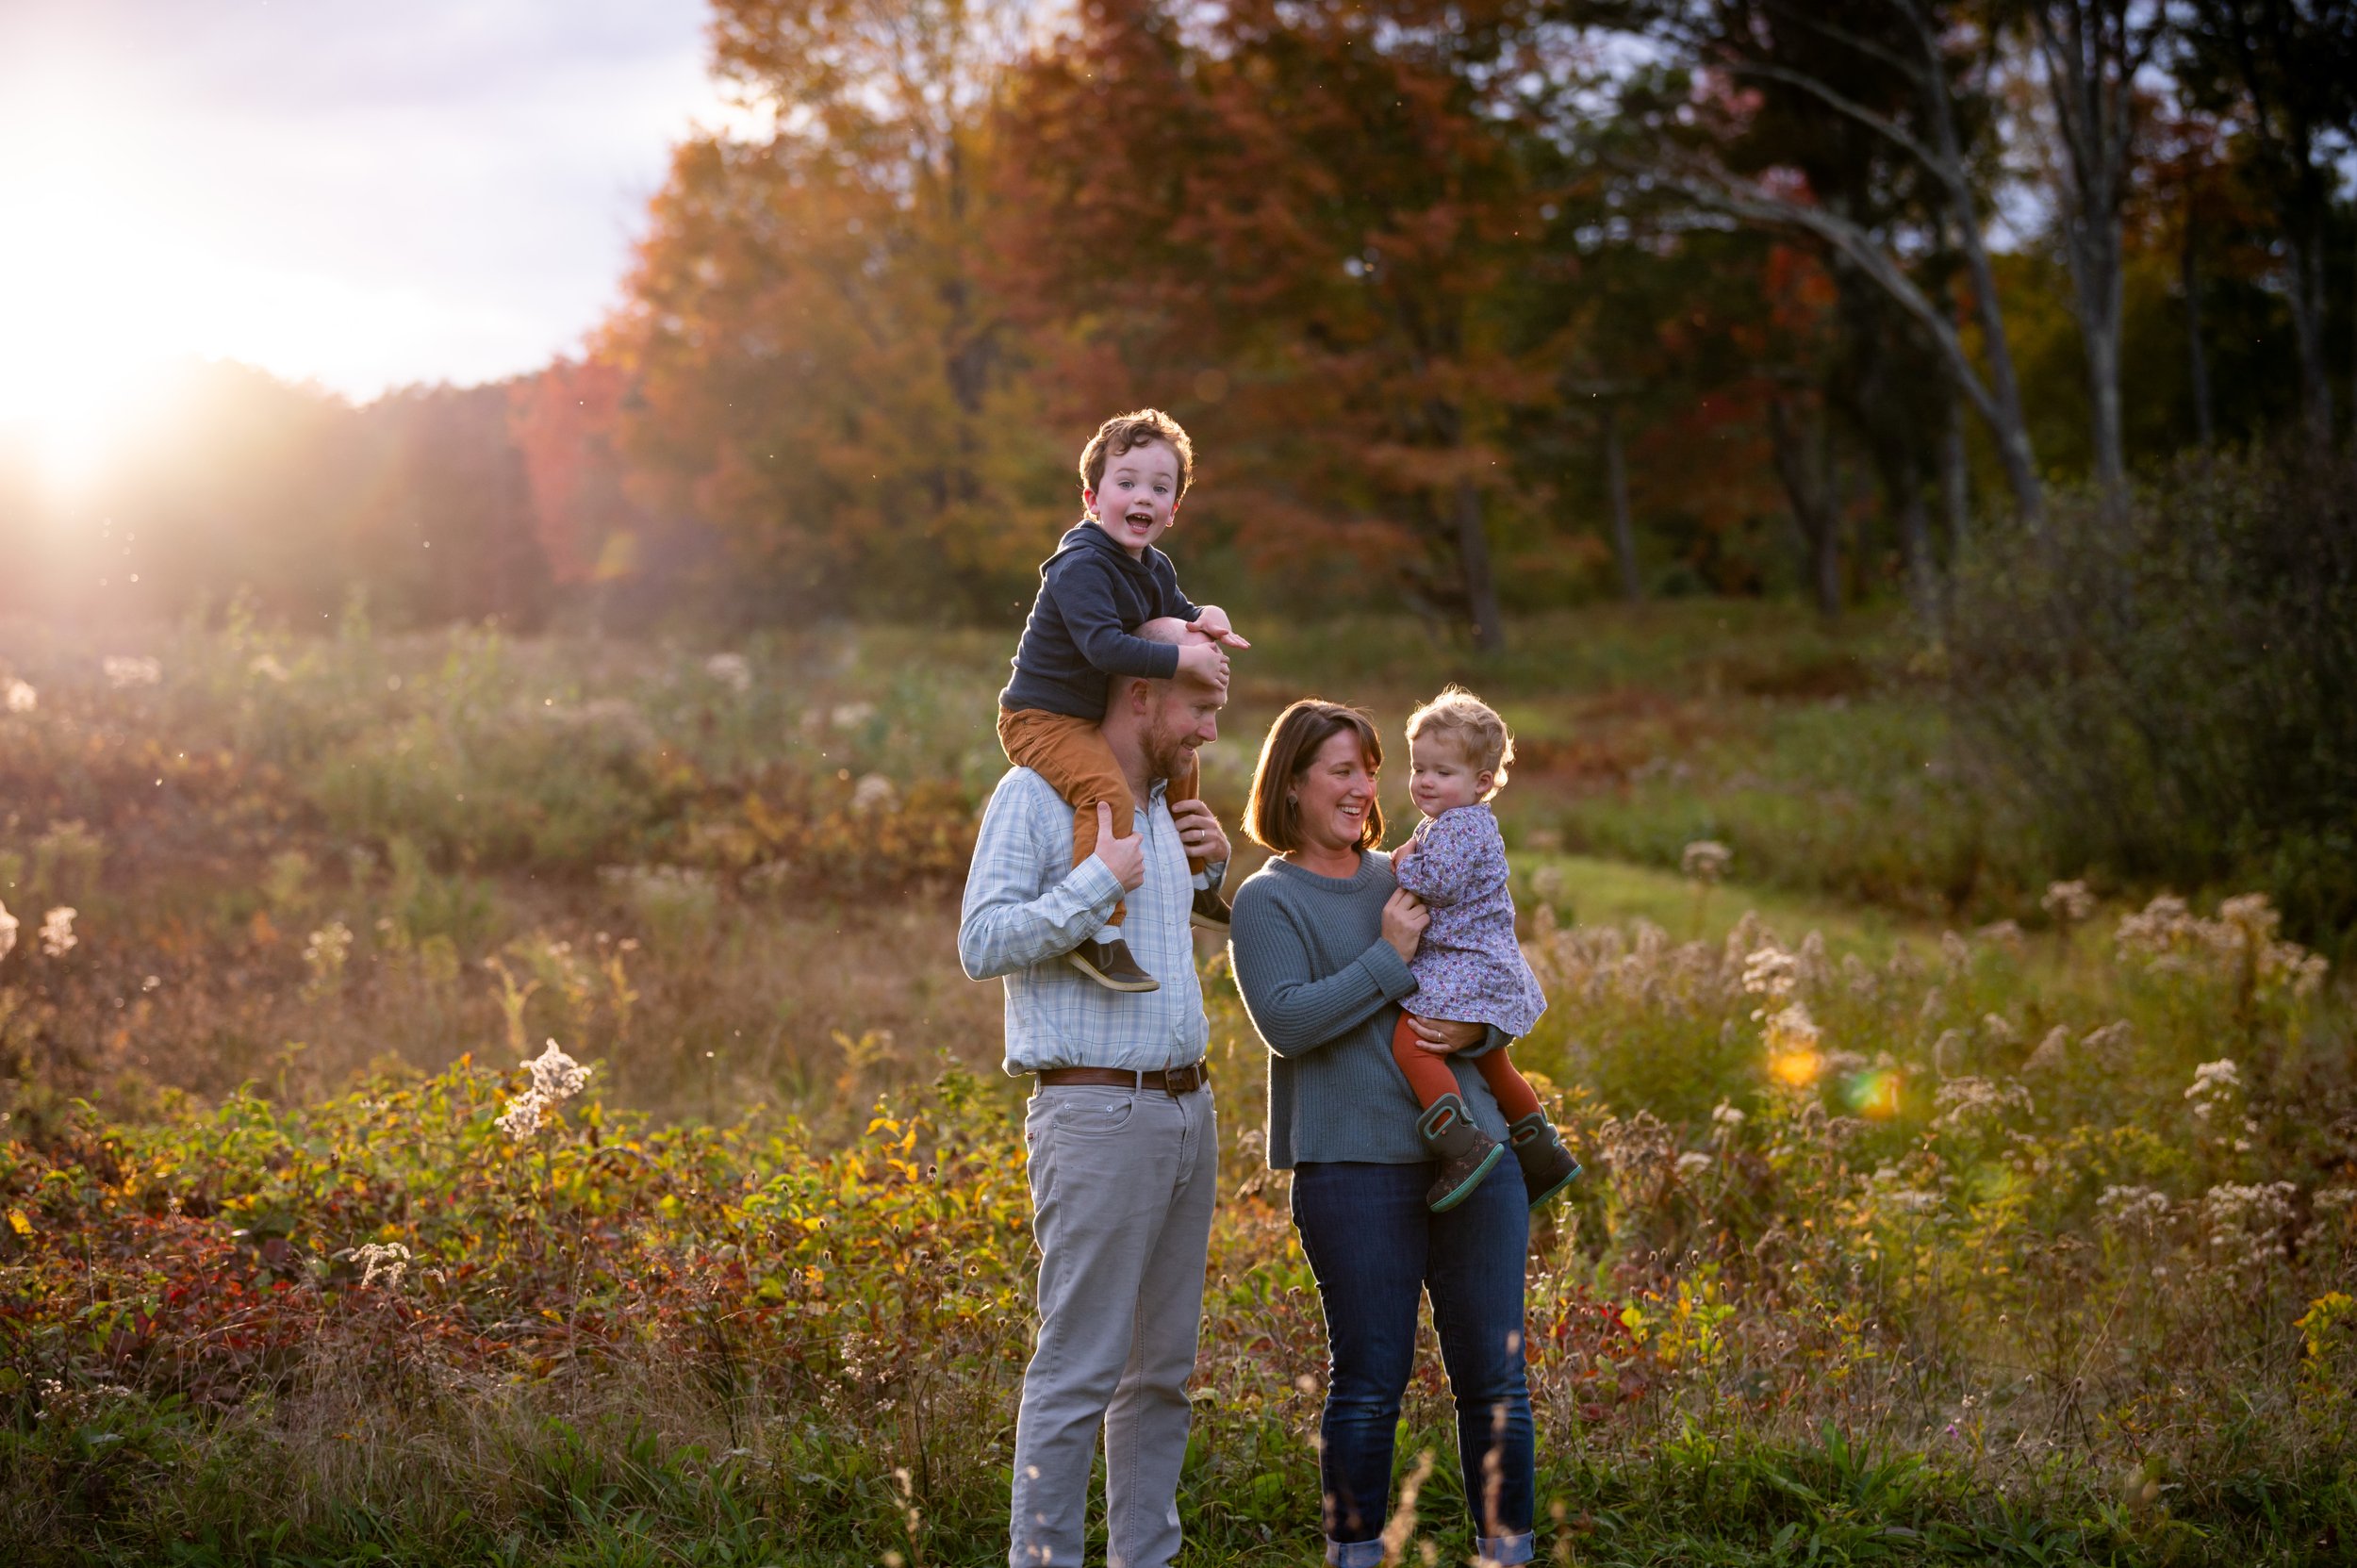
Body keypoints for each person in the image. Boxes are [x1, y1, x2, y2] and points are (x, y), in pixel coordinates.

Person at [1226, 700, 1537, 1568]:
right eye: (1341, 770)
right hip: (1354, 1169)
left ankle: (1506, 1550)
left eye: (1369, 767)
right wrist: (1388, 955)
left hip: (1474, 1158)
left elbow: (1493, 966)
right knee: (1368, 1384)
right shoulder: (1269, 899)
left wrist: (1477, 1034)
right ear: (1291, 783)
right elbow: (1287, 1023)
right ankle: (1357, 1551)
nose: (1364, 787)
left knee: (1496, 1381)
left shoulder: (1419, 866)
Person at [958, 618, 1233, 1568]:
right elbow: (980, 940)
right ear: (1142, 692)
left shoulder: (1162, 803)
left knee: (1160, 1376)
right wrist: (1089, 885)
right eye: (1199, 706)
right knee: (1078, 1370)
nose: (1207, 731)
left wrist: (1211, 871)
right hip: (1094, 1113)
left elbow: (1160, 943)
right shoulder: (1035, 794)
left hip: (1186, 1112)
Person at [997, 408, 1249, 993]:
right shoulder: (1080, 565)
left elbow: (1177, 615)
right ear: (1092, 496)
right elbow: (1106, 648)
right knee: (1106, 793)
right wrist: (1185, 659)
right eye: (1127, 482)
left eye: (1160, 488)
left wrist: (1204, 620)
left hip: (1090, 717)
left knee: (1181, 765)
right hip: (1042, 717)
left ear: (1173, 509)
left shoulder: (1152, 566)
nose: (1143, 497)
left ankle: (1195, 883)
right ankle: (1098, 931)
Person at [1388, 687, 1581, 1213]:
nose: (1425, 781)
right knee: (1494, 1063)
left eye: (1441, 772)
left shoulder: (1460, 827)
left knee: (1412, 1044)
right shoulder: (1456, 822)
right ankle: (1543, 1151)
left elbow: (1442, 883)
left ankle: (1461, 1147)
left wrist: (1401, 864)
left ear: (1481, 782)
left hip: (1465, 966)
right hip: (1482, 964)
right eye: (1418, 767)